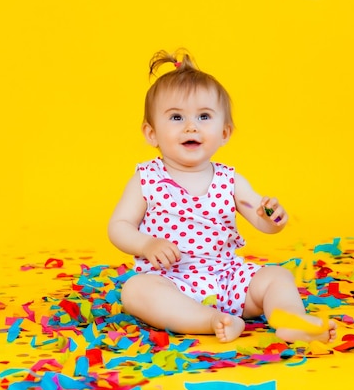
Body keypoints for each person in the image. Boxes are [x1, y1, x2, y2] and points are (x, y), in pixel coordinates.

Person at [108, 49, 337, 344]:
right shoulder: (146, 179)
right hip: (171, 281)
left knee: (276, 278)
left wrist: (272, 218)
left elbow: (261, 220)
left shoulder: (230, 180)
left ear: (225, 132)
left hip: (229, 278)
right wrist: (146, 243)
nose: (191, 126)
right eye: (176, 117)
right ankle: (210, 320)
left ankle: (291, 319)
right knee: (136, 290)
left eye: (204, 116)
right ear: (151, 134)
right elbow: (119, 225)